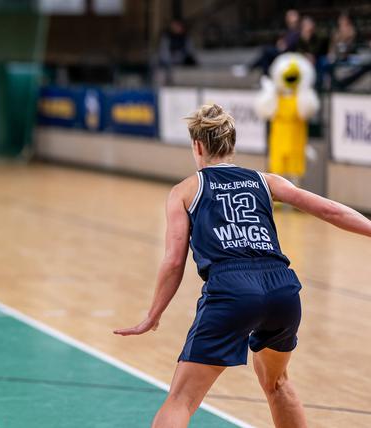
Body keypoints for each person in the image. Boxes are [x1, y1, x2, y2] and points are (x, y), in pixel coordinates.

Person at [114, 104, 371, 427]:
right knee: (277, 383)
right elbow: (331, 211)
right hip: (282, 289)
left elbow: (174, 260)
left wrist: (153, 314)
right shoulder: (265, 181)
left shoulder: (185, 190)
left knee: (181, 400)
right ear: (233, 145)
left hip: (232, 290)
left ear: (198, 146)